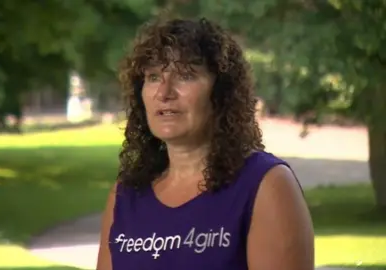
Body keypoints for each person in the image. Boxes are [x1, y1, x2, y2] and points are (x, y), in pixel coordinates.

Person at [96, 17, 314, 270]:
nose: (164, 93)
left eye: (185, 75)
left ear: (221, 92)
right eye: (154, 76)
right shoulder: (125, 196)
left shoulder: (266, 185)